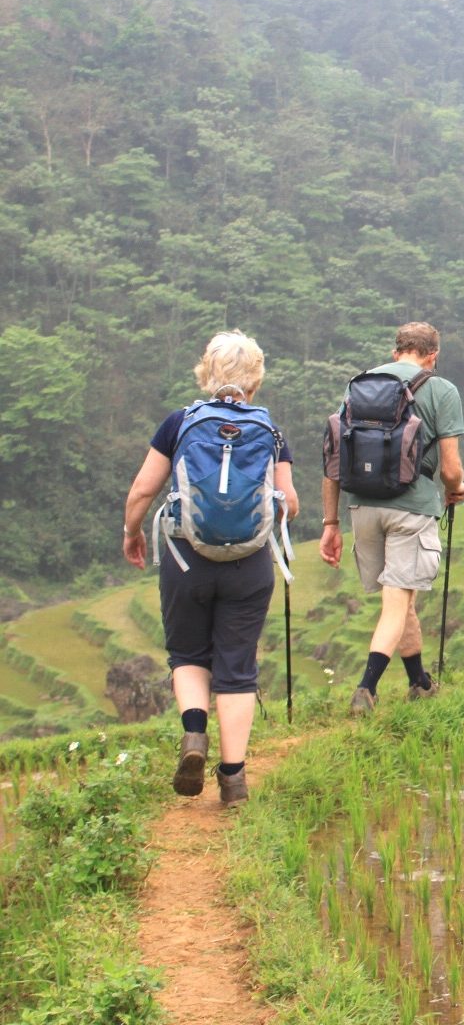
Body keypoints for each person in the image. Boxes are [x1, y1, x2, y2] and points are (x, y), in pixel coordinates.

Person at [122, 331, 298, 807]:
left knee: (188, 654)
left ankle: (195, 735)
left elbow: (142, 490)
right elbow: (290, 505)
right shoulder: (270, 431)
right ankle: (234, 780)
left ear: (207, 373)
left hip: (186, 560)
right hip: (249, 565)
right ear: (255, 378)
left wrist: (132, 532)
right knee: (237, 668)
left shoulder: (179, 424)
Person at [319, 322, 464, 713]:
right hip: (411, 507)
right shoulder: (440, 389)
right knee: (396, 604)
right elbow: (451, 468)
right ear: (432, 355)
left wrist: (330, 523)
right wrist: (458, 489)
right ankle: (365, 689)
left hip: (362, 506)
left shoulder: (359, 386)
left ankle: (419, 682)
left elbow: (334, 459)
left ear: (395, 351)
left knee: (404, 600)